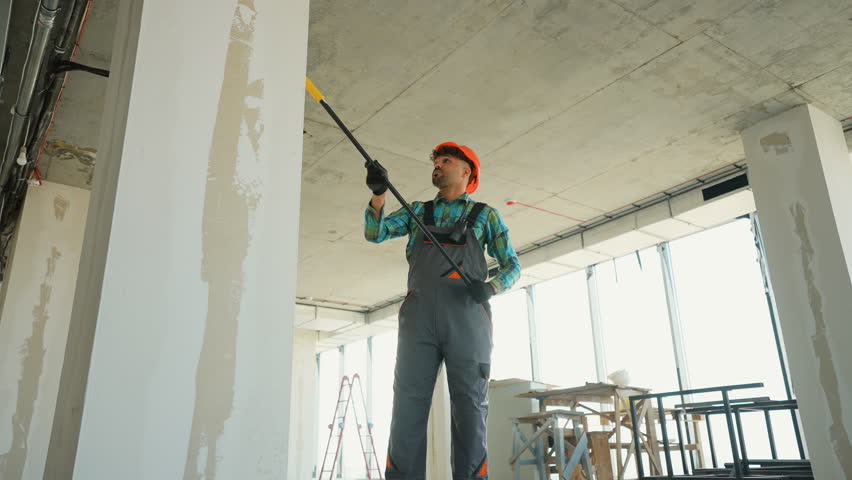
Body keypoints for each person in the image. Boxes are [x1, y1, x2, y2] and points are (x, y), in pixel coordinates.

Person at [364, 141, 521, 480]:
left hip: (467, 318)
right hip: (418, 320)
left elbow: (513, 265)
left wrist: (492, 286)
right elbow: (375, 232)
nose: (437, 165)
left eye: (445, 160)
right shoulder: (417, 211)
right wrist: (378, 194)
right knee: (407, 407)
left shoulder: (484, 215)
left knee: (469, 408)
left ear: (466, 172)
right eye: (435, 161)